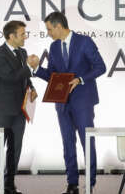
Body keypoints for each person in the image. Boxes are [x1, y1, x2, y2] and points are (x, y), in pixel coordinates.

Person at [28, 12, 106, 194]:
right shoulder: (54, 47)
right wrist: (37, 68)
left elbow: (100, 67)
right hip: (62, 104)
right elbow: (54, 77)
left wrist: (80, 79)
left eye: (49, 29)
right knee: (67, 143)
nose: (48, 33)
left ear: (58, 26)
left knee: (87, 142)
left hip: (83, 101)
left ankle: (90, 183)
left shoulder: (84, 42)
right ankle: (72, 184)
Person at [0, 20, 38, 194]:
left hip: (20, 110)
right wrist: (29, 67)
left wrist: (32, 88)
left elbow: (23, 78)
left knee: (15, 148)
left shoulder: (22, 52)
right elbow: (10, 78)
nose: (26, 37)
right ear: (11, 36)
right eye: (23, 34)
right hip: (2, 109)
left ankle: (9, 185)